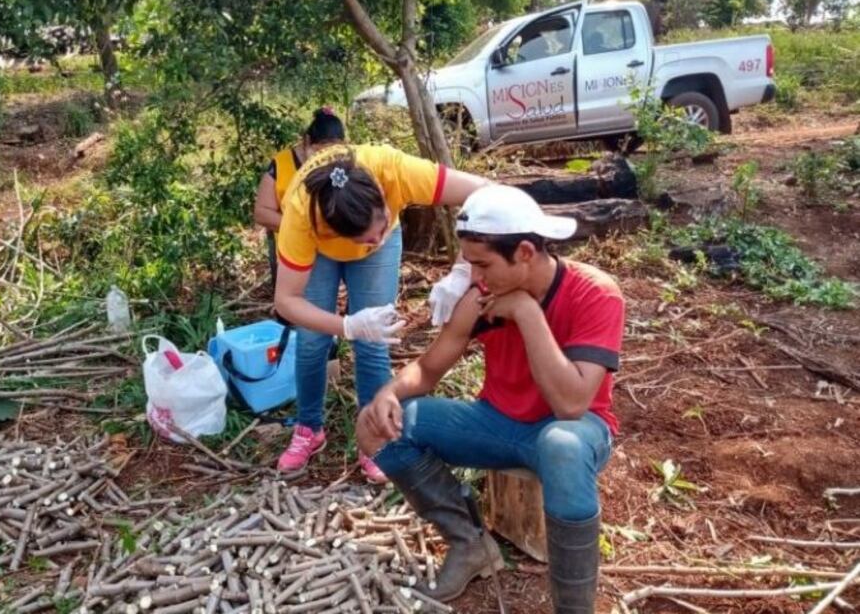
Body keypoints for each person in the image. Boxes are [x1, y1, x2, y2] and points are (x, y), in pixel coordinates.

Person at [356, 185, 625, 611]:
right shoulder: (481, 299)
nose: (475, 278)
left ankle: (575, 607)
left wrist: (526, 312)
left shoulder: (595, 293)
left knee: (562, 445)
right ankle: (470, 544)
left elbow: (571, 405)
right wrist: (387, 391)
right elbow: (427, 369)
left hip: (575, 431)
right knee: (380, 425)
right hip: (497, 424)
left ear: (523, 252)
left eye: (483, 265)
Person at [273, 143, 489, 483]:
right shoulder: (302, 212)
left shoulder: (394, 170)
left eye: (380, 228)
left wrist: (462, 270)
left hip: (374, 231)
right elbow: (286, 301)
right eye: (367, 240)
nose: (372, 241)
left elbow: (486, 193)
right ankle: (309, 427)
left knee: (375, 341)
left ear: (382, 197)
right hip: (320, 250)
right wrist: (346, 325)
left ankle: (373, 435)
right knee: (313, 341)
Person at [254, 107, 346, 286]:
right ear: (307, 141)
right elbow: (262, 213)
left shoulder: (348, 159)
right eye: (321, 152)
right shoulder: (280, 164)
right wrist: (303, 227)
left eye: (334, 152)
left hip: (342, 245)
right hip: (299, 249)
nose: (327, 158)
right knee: (310, 306)